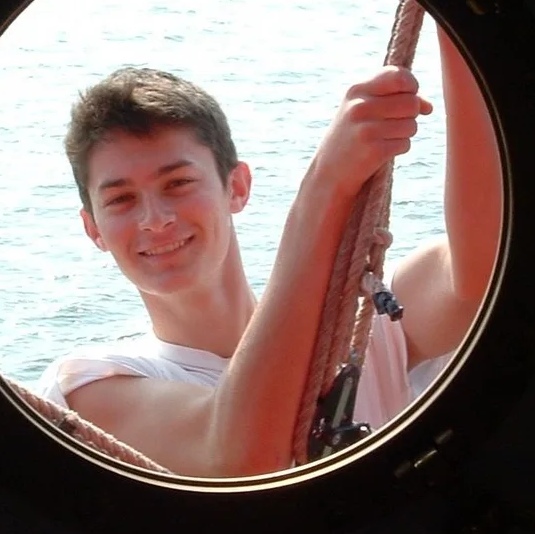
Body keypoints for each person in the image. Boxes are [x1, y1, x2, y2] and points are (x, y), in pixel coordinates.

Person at [35, 25, 501, 477]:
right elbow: (241, 458)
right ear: (93, 229)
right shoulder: (88, 390)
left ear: (236, 187)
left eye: (178, 183)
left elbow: (485, 273)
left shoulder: (366, 325)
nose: (154, 218)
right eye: (121, 199)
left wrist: (454, 25)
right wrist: (326, 185)